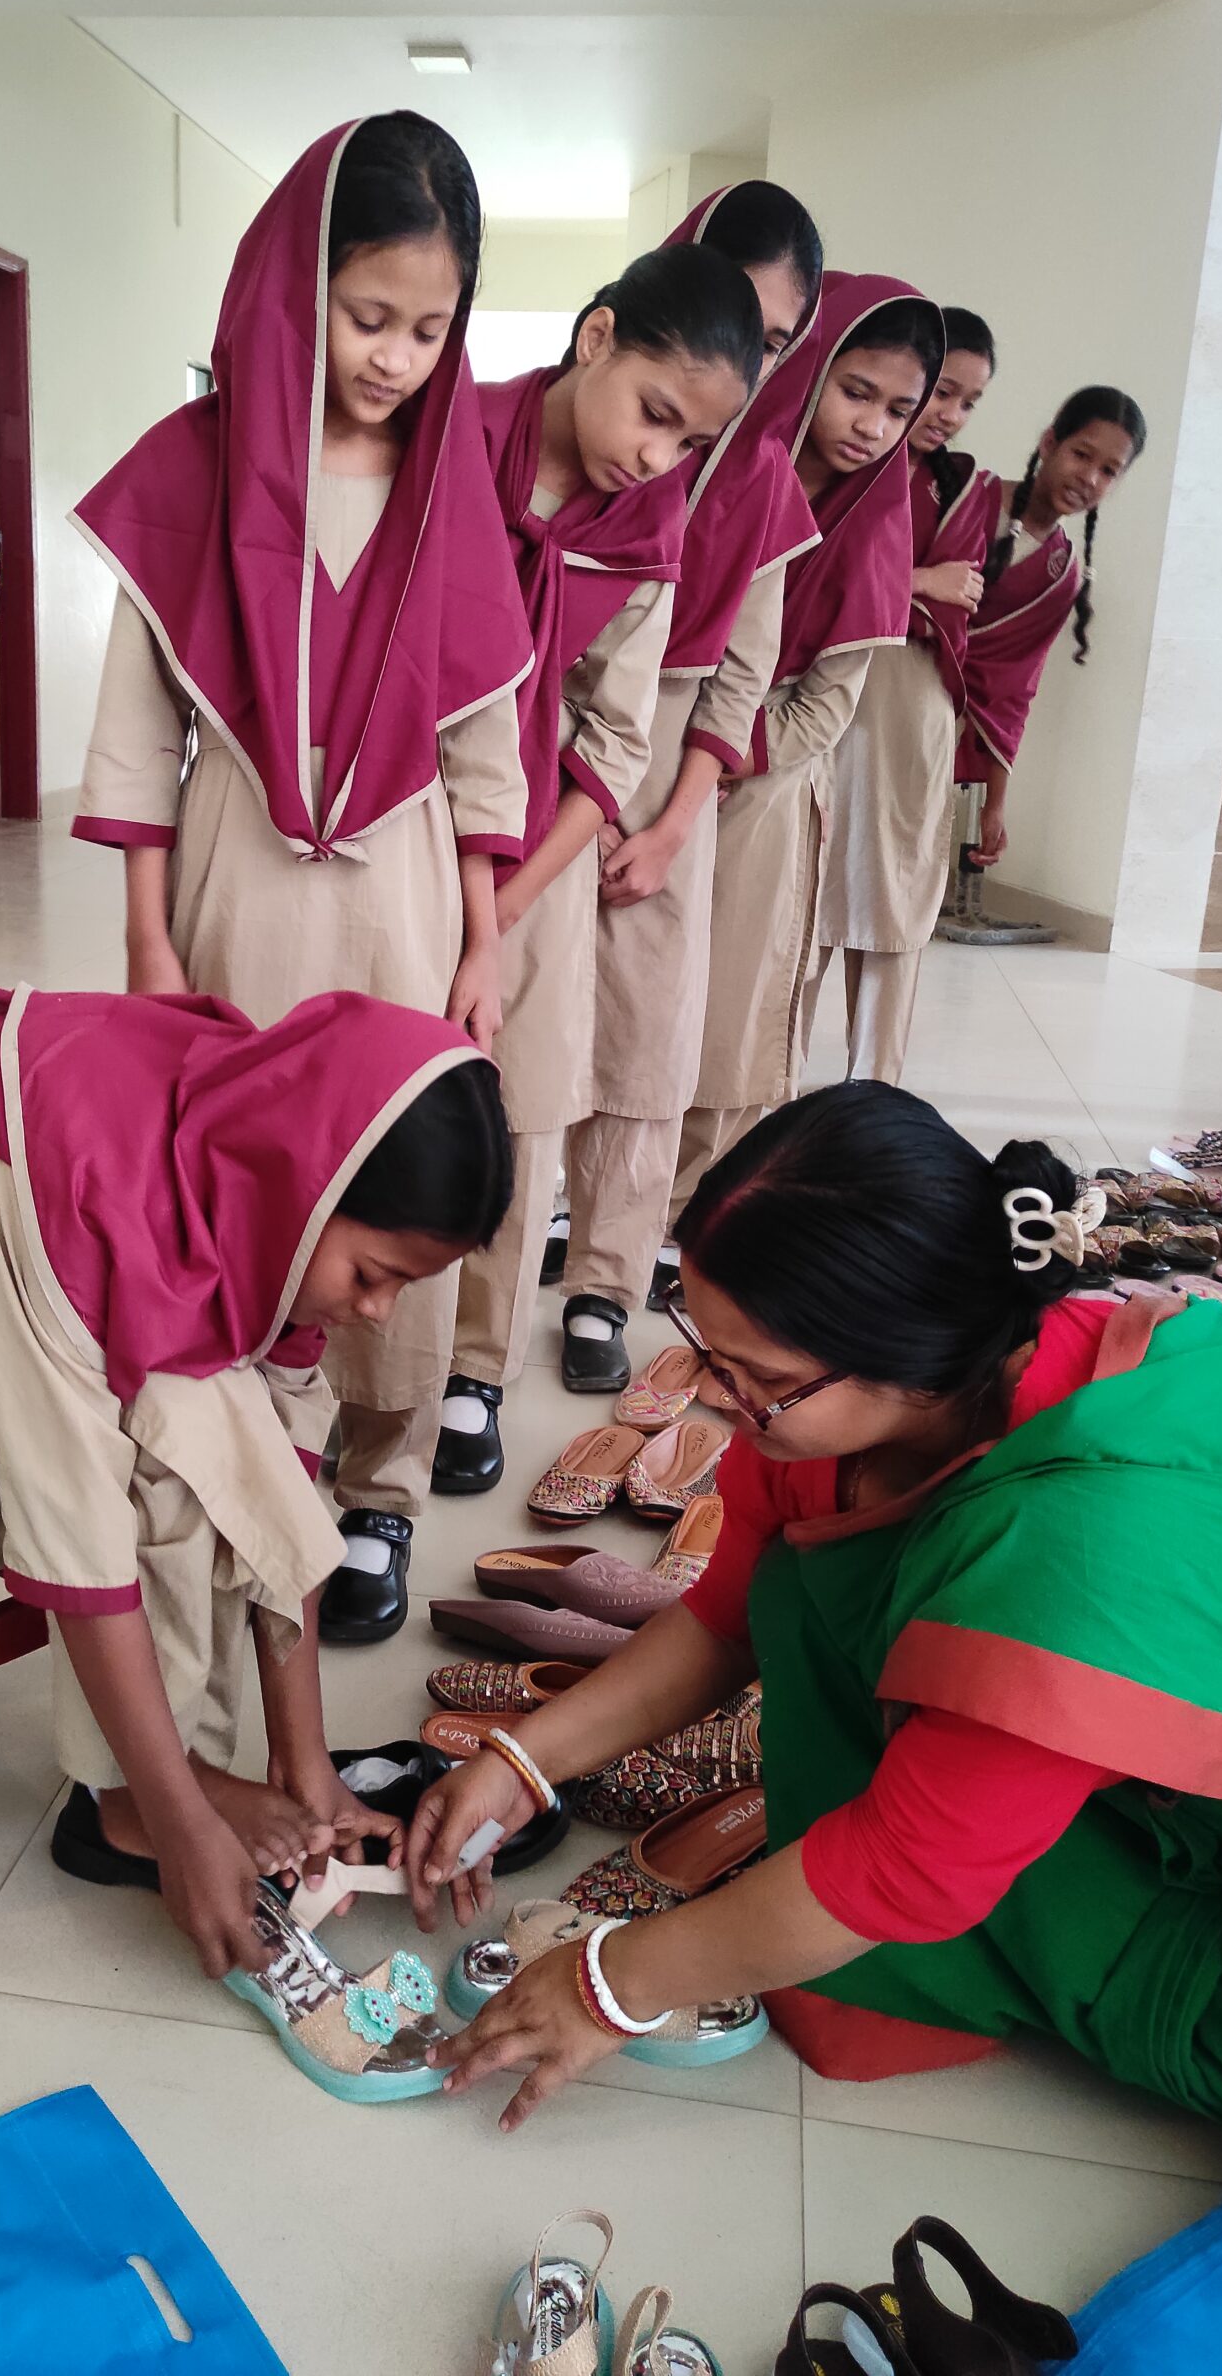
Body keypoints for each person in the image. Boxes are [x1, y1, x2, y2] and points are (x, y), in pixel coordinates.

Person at [409, 1085, 1222, 2272]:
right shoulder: (875, 1406)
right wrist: (521, 1763)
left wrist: (608, 1984)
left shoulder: (1074, 1542)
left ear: (912, 1365)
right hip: (1204, 1777)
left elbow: (897, 1869)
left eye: (755, 1375)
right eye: (703, 1348)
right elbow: (728, 1614)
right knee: (807, 1585)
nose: (713, 1397)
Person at [0, 985, 514, 1981]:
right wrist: (181, 1824)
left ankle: (181, 1774)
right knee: (175, 1427)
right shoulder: (94, 1184)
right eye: (373, 1275)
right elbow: (73, 1523)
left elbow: (285, 1471)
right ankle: (130, 1804)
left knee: (219, 1414)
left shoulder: (270, 1166)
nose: (377, 1311)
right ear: (316, 1189)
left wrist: (304, 1763)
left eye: (400, 1287)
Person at [68, 115, 533, 1648]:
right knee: (240, 1171)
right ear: (295, 287)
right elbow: (140, 729)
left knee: (400, 1176)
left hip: (403, 890)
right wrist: (148, 940)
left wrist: (484, 938)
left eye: (428, 328)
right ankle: (242, 1460)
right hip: (237, 874)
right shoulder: (192, 468)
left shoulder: (449, 483)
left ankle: (379, 1486)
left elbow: (481, 736)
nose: (395, 357)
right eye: (366, 315)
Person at [430, 244, 765, 1506]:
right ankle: (354, 1355)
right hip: (395, 812)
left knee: (522, 1094)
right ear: (594, 337)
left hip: (536, 841)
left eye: (690, 442)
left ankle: (473, 1368)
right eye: (653, 412)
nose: (656, 456)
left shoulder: (652, 517)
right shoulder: (453, 437)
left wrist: (509, 908)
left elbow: (617, 736)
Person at [552, 181, 822, 1394]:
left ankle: (603, 1282)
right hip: (544, 728)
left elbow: (743, 678)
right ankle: (487, 1271)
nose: (746, 356)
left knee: (647, 1029)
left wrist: (671, 823)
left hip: (669, 757)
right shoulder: (593, 423)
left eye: (772, 340)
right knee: (525, 1012)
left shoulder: (762, 479)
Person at [671, 276, 942, 1224]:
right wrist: (670, 752)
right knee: (635, 990)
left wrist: (721, 756)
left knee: (732, 1006)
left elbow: (828, 707)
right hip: (646, 758)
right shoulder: (722, 471)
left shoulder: (878, 516)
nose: (872, 426)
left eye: (899, 410)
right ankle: (601, 1202)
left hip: (764, 782)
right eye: (855, 391)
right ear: (810, 370)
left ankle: (701, 1206)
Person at [811, 309, 1001, 1083]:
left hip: (912, 703)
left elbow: (963, 601)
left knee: (895, 890)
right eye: (941, 392)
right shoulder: (835, 467)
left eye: (968, 402)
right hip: (821, 688)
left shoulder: (963, 487)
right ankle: (763, 1090)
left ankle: (874, 1090)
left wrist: (907, 590)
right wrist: (919, 582)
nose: (948, 414)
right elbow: (807, 578)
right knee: (804, 884)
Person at [961, 387, 1147, 871]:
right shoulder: (964, 496)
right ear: (1049, 443)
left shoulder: (1061, 577)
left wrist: (995, 804)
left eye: (1109, 471)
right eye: (1081, 454)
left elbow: (1011, 692)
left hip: (933, 739)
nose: (1089, 477)